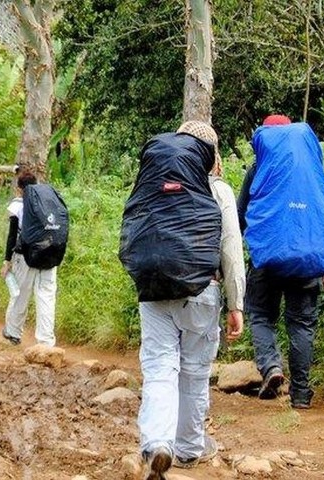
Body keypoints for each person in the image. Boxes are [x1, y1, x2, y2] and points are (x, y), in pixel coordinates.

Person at [138, 121, 245, 479]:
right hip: (202, 291)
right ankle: (188, 447)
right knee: (195, 373)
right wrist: (236, 304)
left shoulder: (152, 185)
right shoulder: (217, 190)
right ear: (213, 156)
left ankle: (157, 443)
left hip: (153, 292)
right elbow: (230, 249)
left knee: (158, 369)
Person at [237, 114, 324, 409]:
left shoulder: (259, 168)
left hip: (267, 259)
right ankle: (302, 395)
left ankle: (271, 367)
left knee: (260, 313)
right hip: (307, 257)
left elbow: (241, 213)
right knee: (301, 324)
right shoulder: (312, 169)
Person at [0, 170, 58, 347]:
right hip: (50, 253)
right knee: (46, 297)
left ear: (19, 189)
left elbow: (12, 235)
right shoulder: (48, 201)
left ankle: (13, 332)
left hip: (25, 255)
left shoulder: (18, 204)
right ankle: (46, 341)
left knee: (19, 293)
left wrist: (7, 260)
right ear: (37, 184)